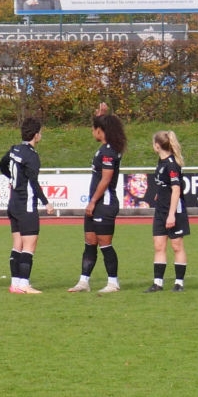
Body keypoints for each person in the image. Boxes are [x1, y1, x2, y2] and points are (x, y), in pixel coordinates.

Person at [70, 112, 126, 294]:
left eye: (94, 128)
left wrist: (93, 201)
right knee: (89, 242)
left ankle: (113, 282)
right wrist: (102, 114)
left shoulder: (109, 151)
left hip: (105, 203)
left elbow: (106, 178)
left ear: (100, 131)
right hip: (96, 203)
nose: (92, 132)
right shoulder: (105, 148)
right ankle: (83, 281)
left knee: (105, 244)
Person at [0, 117, 51, 293]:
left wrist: (13, 179)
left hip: (13, 204)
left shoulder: (15, 149)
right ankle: (24, 284)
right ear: (36, 135)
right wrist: (46, 202)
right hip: (26, 205)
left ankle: (15, 284)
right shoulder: (32, 156)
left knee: (17, 244)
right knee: (29, 244)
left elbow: (1, 165)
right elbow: (34, 183)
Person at [146, 131, 188, 292]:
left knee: (177, 245)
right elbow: (165, 185)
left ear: (157, 145)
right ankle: (158, 283)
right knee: (159, 245)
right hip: (160, 210)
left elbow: (176, 190)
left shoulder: (171, 164)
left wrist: (171, 214)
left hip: (173, 211)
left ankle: (179, 283)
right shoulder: (161, 161)